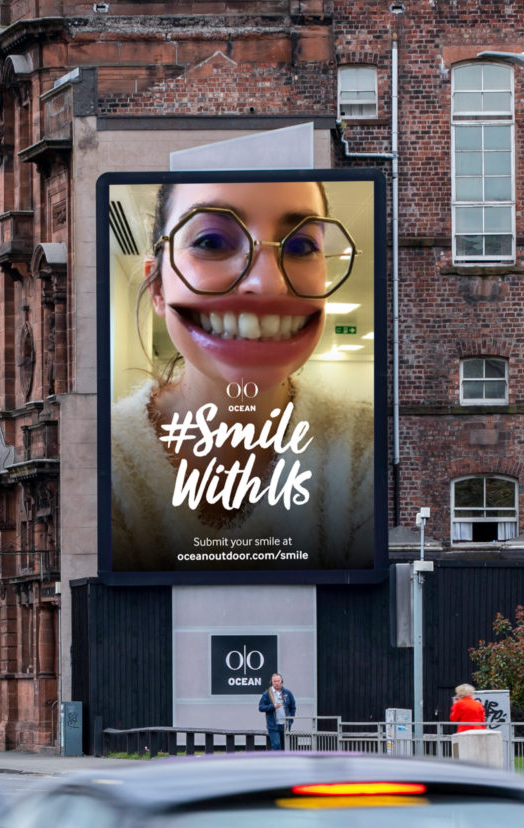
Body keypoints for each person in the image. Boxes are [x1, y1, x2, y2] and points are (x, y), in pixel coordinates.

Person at [109, 180, 374, 571]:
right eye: (212, 242)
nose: (267, 283)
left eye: (301, 247)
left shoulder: (365, 449)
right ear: (158, 286)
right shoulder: (103, 454)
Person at [257, 673, 297, 751]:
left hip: (285, 725)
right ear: (271, 682)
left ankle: (284, 762)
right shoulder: (267, 694)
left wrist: (290, 720)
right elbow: (261, 707)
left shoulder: (288, 693)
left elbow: (293, 707)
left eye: (278, 681)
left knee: (285, 747)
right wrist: (272, 706)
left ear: (281, 681)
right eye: (274, 681)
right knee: (276, 745)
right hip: (273, 725)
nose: (276, 683)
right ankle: (274, 762)